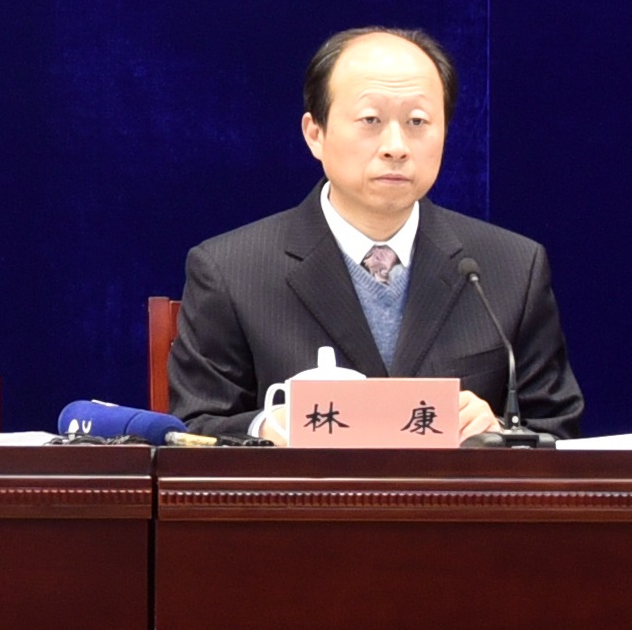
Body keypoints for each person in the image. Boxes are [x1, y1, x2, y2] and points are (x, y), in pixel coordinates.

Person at [166, 25, 580, 439]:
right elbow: (194, 430)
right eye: (371, 120)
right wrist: (267, 427)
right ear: (315, 133)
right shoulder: (231, 271)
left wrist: (498, 433)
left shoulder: (511, 267)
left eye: (417, 121)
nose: (396, 146)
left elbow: (558, 431)